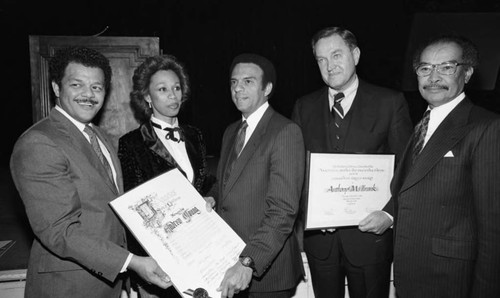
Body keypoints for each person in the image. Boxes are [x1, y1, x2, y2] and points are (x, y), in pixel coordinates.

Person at [10, 46, 171, 298]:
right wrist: (131, 262)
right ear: (56, 88)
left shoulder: (99, 136)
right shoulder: (39, 142)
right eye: (77, 85)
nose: (88, 94)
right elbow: (60, 231)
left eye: (97, 87)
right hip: (68, 286)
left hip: (108, 283)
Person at [291, 27, 413, 298]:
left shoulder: (389, 103)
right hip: (320, 243)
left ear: (355, 55)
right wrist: (311, 210)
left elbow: (408, 167)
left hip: (371, 240)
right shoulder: (304, 106)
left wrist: (390, 214)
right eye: (321, 60)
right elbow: (296, 171)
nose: (329, 66)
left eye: (336, 55)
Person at [388, 35, 500, 297]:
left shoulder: (487, 127)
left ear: (468, 73)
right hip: (410, 274)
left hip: (451, 280)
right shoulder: (421, 124)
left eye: (446, 67)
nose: (433, 77)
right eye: (425, 68)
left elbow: (493, 230)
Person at [118, 54, 215, 297]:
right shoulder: (131, 143)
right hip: (160, 260)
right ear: (147, 97)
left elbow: (202, 185)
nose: (173, 95)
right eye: (163, 89)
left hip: (200, 250)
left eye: (176, 87)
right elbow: (133, 211)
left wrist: (211, 199)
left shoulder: (195, 135)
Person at [215, 53, 305, 298]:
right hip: (229, 264)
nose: (238, 88)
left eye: (248, 81)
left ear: (267, 88)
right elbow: (228, 183)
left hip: (266, 273)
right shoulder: (231, 131)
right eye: (233, 82)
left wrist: (248, 262)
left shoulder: (285, 131)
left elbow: (283, 211)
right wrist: (211, 197)